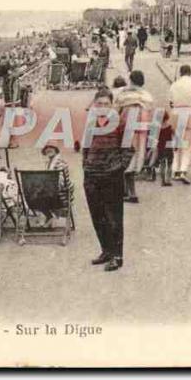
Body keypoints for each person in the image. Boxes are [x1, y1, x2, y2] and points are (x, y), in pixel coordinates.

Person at [83, 88, 133, 272]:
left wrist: (119, 167)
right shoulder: (91, 123)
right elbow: (86, 148)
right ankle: (106, 251)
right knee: (97, 216)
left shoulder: (121, 123)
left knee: (114, 217)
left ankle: (117, 256)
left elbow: (129, 149)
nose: (102, 107)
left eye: (106, 104)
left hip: (111, 176)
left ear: (112, 105)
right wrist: (86, 168)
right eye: (99, 104)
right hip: (92, 175)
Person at [115, 70, 154, 203]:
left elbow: (116, 109)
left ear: (131, 80)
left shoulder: (123, 94)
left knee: (125, 158)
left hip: (126, 127)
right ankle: (131, 192)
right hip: (141, 128)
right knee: (136, 157)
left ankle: (128, 192)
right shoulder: (147, 95)